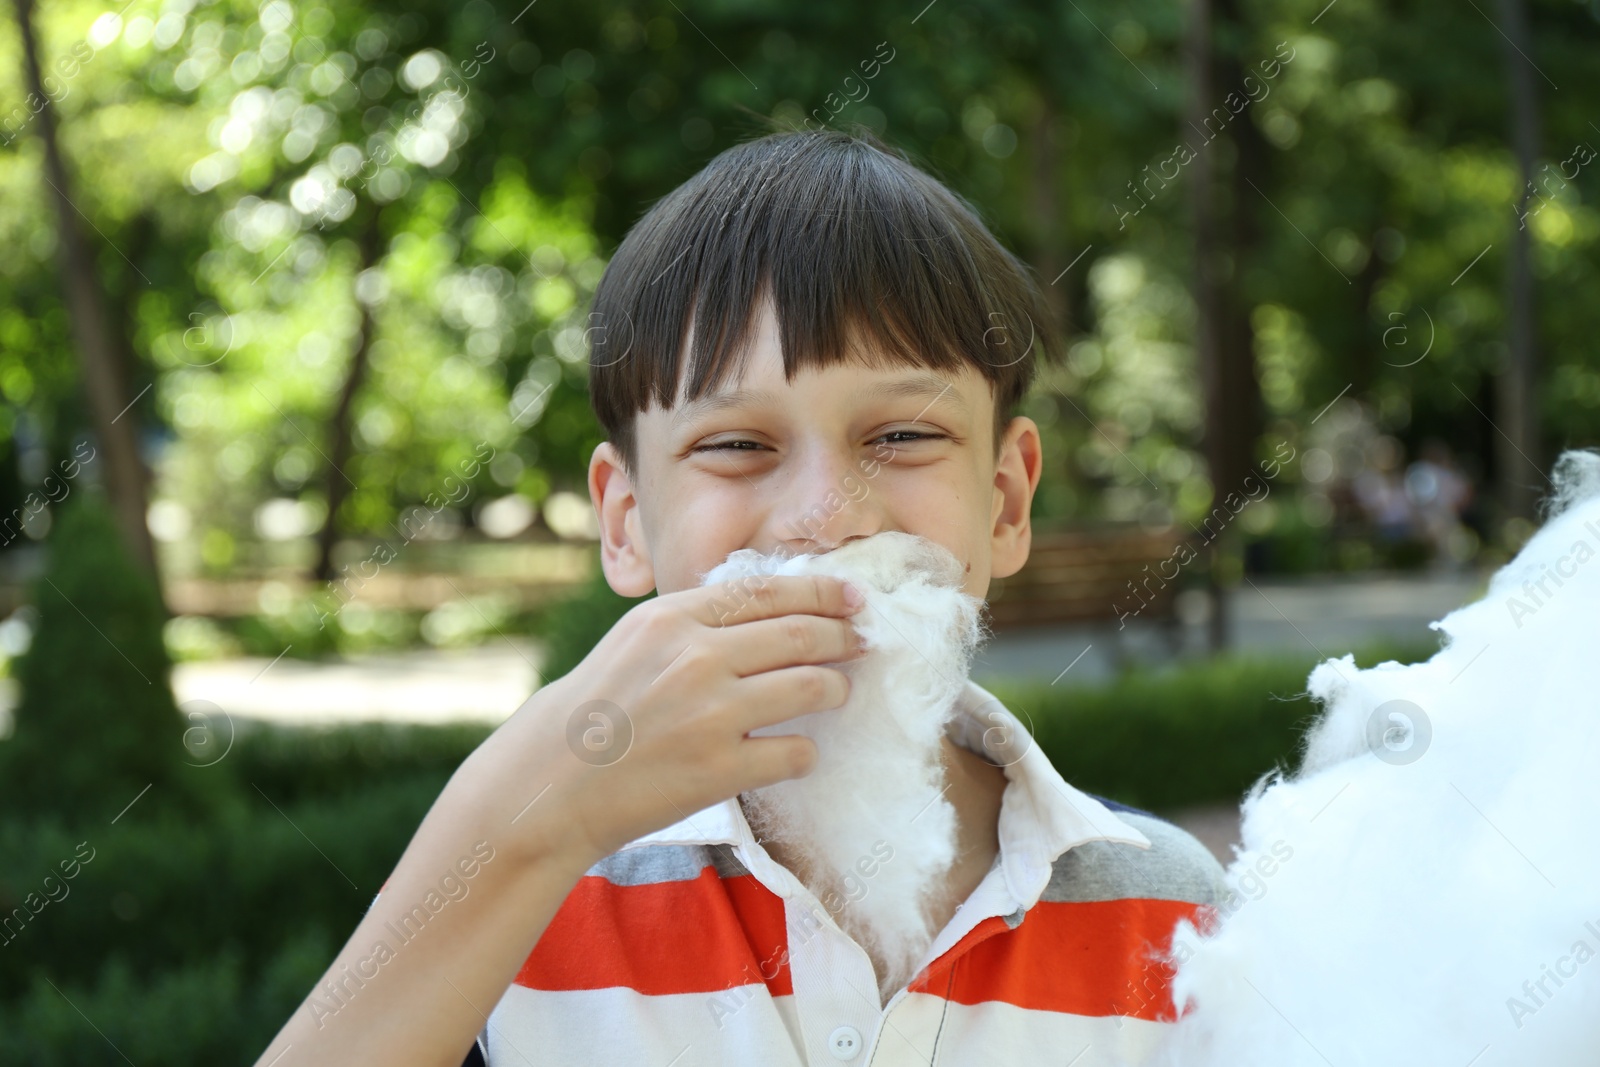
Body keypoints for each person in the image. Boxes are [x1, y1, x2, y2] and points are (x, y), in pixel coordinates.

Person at [254, 129, 1229, 1067]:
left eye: (899, 435)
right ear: (626, 520)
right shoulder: (520, 899)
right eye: (734, 445)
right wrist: (521, 814)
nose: (823, 516)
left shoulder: (1172, 909)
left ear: (1005, 500)